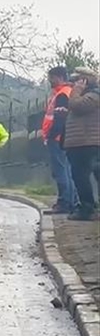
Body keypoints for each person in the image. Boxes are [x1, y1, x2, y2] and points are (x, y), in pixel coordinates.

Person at [61, 67, 100, 221]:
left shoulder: (94, 95)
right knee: (82, 175)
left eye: (77, 80)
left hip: (87, 142)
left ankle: (87, 207)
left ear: (85, 80)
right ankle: (89, 206)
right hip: (81, 142)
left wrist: (76, 91)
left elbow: (77, 106)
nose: (74, 83)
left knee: (81, 175)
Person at [42, 66, 78, 214]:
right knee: (66, 170)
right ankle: (71, 201)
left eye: (51, 77)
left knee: (61, 171)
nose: (50, 80)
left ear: (59, 77)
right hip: (60, 137)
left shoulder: (62, 95)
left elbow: (59, 119)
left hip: (57, 138)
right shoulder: (62, 93)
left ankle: (65, 202)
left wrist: (50, 136)